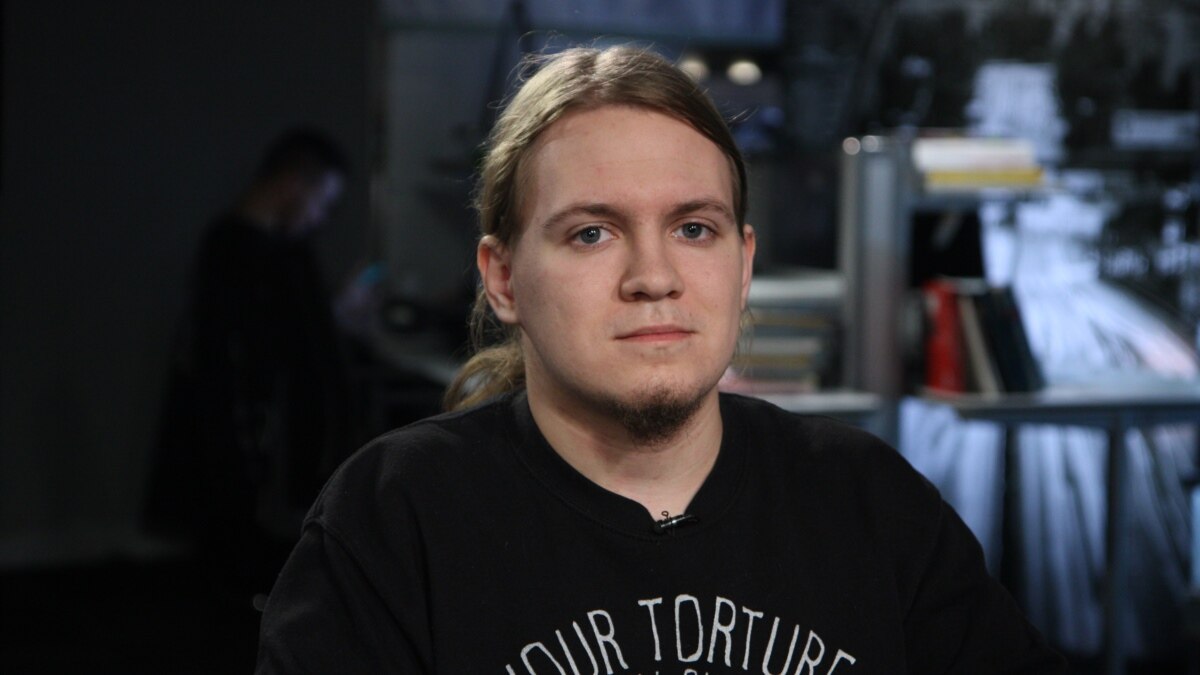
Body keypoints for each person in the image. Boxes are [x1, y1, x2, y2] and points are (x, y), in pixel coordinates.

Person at [256, 47, 1065, 673]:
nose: (654, 276)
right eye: (591, 233)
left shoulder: (870, 504)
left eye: (694, 229)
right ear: (502, 278)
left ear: (743, 264)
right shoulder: (395, 520)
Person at [145, 128, 358, 599]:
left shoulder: (269, 252)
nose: (319, 218)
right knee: (244, 574)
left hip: (261, 457)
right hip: (254, 457)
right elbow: (242, 358)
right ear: (294, 183)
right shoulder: (243, 252)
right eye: (321, 202)